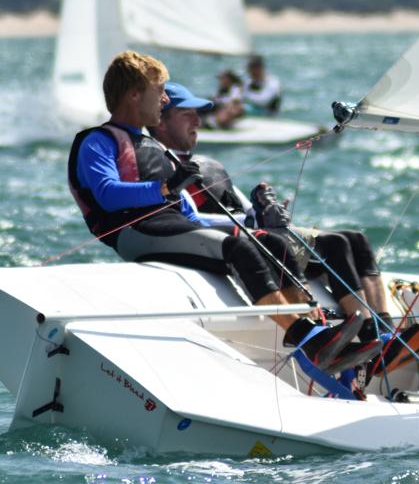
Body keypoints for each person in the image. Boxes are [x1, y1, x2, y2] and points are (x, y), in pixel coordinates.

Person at [67, 51, 376, 374]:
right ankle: (306, 338)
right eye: (159, 91)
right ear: (134, 94)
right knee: (238, 247)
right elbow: (107, 194)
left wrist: (252, 224)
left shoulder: (156, 148)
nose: (163, 100)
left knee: (267, 242)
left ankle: (320, 330)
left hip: (173, 226)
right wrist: (165, 188)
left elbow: (191, 216)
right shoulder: (98, 141)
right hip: (136, 233)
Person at [149, 83, 419, 376]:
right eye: (187, 114)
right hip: (237, 240)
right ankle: (361, 336)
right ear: (160, 121)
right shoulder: (163, 166)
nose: (198, 122)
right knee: (332, 243)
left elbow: (239, 205)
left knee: (355, 240)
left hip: (258, 230)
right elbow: (185, 216)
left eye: (198, 114)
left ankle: (382, 335)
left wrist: (266, 209)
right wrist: (255, 222)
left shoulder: (208, 164)